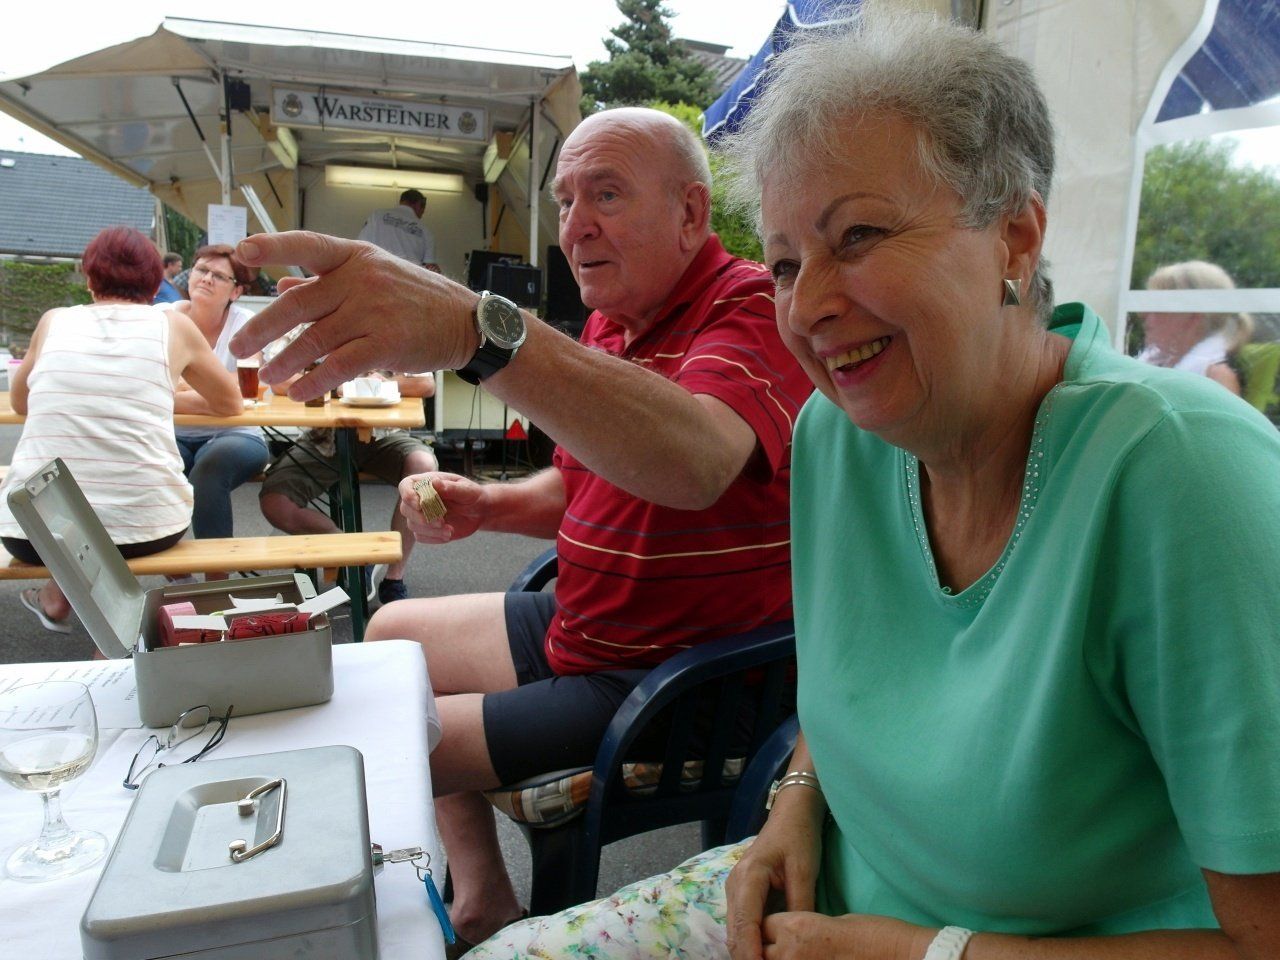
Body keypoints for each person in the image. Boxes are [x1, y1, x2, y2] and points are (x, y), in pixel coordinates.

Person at [455, 9, 1280, 960]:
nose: (807, 307)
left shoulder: (1184, 477)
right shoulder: (837, 435)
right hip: (821, 905)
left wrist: (919, 952)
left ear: (1015, 236)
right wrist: (796, 803)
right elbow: (857, 686)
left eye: (857, 236)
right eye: (785, 264)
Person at [228, 105, 813, 949]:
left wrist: (476, 330)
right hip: (589, 625)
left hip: (674, 673)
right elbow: (581, 482)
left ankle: (418, 911)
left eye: (606, 194)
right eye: (567, 201)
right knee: (389, 637)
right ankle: (484, 898)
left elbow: (698, 459)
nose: (576, 226)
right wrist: (490, 504)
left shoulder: (750, 306)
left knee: (393, 735)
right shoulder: (613, 322)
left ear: (691, 213)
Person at [0, 228, 240, 631]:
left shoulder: (54, 321)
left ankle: (59, 599)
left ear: (89, 278)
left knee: (83, 524)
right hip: (148, 525)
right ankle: (110, 641)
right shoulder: (173, 327)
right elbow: (230, 402)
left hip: (29, 533)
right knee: (112, 526)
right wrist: (156, 392)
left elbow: (21, 402)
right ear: (155, 284)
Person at [258, 370, 437, 605]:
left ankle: (394, 577)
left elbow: (426, 384)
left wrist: (375, 386)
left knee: (425, 472)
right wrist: (337, 384)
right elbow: (279, 381)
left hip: (387, 434)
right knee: (274, 502)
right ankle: (358, 556)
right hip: (324, 437)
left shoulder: (401, 344)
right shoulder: (310, 343)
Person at [172, 244, 271, 545]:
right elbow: (149, 383)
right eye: (201, 270)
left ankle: (217, 573)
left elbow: (245, 386)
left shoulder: (245, 324)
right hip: (173, 432)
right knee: (149, 464)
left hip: (237, 432)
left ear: (236, 291)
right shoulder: (163, 317)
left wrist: (179, 388)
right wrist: (216, 393)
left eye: (218, 276)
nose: (206, 278)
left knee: (208, 470)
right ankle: (167, 567)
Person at [1138, 260, 1253, 395]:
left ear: (1193, 316)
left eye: (1158, 306)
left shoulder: (1217, 377)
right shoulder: (1155, 364)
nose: (1143, 314)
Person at [357, 187, 440, 271]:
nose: (423, 213)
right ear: (418, 204)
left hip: (376, 272)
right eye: (423, 208)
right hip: (407, 276)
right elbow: (430, 268)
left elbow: (360, 246)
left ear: (401, 201)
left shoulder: (377, 216)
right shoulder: (426, 232)